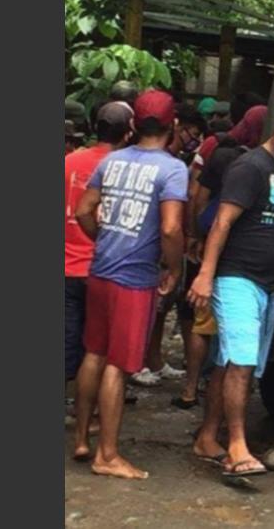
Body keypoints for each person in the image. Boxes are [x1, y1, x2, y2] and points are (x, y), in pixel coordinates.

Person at [187, 106, 274, 477]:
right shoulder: (250, 168)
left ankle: (207, 437)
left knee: (230, 361)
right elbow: (222, 222)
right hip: (239, 278)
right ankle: (237, 446)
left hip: (268, 284)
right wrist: (205, 274)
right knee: (242, 365)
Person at [72, 90, 188, 479]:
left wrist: (102, 240)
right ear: (172, 127)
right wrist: (172, 268)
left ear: (135, 125)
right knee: (118, 366)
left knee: (94, 353)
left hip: (101, 270)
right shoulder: (172, 170)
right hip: (134, 278)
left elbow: (84, 210)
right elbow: (171, 227)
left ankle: (82, 439)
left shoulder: (113, 160)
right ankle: (107, 454)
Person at [129, 107, 207, 387]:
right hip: (157, 246)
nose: (193, 141)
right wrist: (172, 260)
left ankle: (154, 360)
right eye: (193, 134)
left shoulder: (173, 161)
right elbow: (169, 224)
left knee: (161, 308)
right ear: (178, 128)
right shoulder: (168, 166)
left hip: (169, 244)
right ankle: (135, 363)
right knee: (151, 307)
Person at [171, 137, 248, 410]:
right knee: (224, 329)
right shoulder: (248, 176)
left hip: (206, 257)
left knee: (200, 323)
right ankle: (213, 386)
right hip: (233, 266)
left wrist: (194, 235)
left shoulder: (210, 201)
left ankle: (191, 387)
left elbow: (196, 197)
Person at [65, 102, 133, 387]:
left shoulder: (69, 161)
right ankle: (89, 412)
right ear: (129, 133)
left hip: (67, 266)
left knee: (66, 339)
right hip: (105, 269)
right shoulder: (127, 168)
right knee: (97, 348)